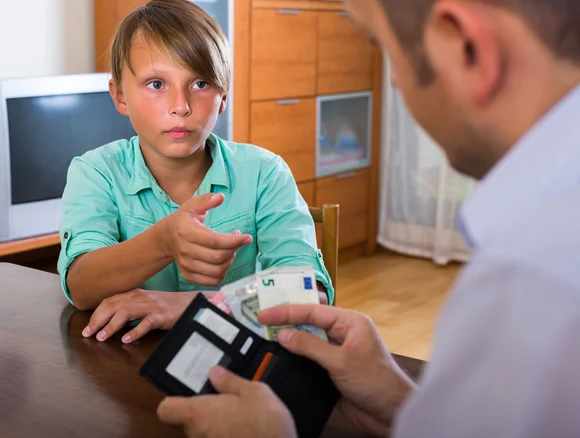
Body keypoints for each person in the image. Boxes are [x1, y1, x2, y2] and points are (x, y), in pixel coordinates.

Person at [155, 0, 580, 436]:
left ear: (465, 47)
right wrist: (401, 402)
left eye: (385, 50)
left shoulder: (532, 278)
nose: (393, 82)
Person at [57, 0, 333, 345]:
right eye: (156, 84)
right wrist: (162, 242)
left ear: (222, 96)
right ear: (120, 96)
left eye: (200, 83)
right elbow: (81, 288)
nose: (181, 106)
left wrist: (189, 306)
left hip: (241, 362)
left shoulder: (264, 172)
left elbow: (311, 294)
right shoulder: (95, 172)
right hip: (127, 365)